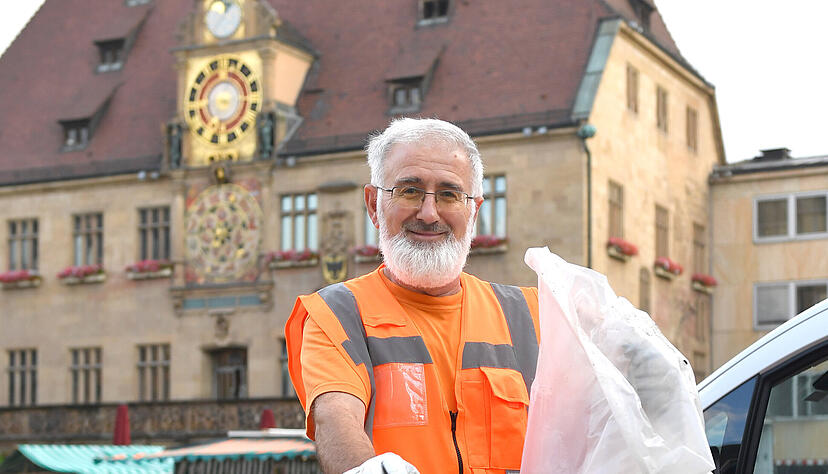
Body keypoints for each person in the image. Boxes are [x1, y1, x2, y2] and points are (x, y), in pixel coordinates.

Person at [285, 118, 540, 474]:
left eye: (450, 194)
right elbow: (337, 422)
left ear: (474, 211)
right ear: (374, 204)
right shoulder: (336, 314)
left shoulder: (533, 316)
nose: (429, 213)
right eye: (410, 191)